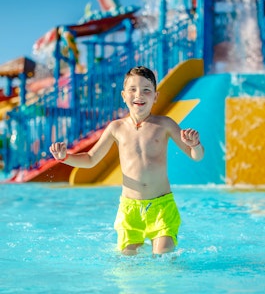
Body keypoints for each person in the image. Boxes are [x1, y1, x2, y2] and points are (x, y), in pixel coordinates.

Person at [49, 66, 204, 256]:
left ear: (155, 96)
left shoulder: (164, 125)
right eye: (133, 89)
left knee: (163, 256)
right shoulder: (116, 128)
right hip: (130, 210)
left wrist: (195, 145)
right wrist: (65, 157)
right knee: (127, 262)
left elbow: (196, 156)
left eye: (147, 90)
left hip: (162, 207)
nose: (139, 94)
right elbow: (90, 159)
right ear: (123, 95)